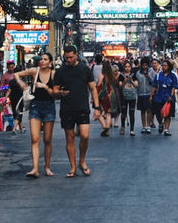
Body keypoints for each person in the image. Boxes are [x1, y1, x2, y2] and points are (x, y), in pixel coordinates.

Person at [52, 45, 101, 178]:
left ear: (76, 55)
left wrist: (97, 108)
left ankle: (82, 161)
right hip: (66, 109)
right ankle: (73, 167)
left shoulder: (85, 69)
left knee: (84, 136)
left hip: (82, 107)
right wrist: (60, 93)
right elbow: (55, 91)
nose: (68, 60)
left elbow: (93, 89)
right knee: (70, 138)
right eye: (66, 57)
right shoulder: (60, 71)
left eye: (71, 57)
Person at [13, 53, 56, 178]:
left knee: (47, 140)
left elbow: (55, 93)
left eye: (45, 59)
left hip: (49, 107)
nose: (42, 61)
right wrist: (20, 83)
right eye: (41, 59)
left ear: (51, 62)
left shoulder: (54, 74)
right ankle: (35, 169)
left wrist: (45, 86)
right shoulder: (34, 71)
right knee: (35, 139)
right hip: (35, 106)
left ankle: (47, 167)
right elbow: (17, 74)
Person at [149, 59, 178, 136]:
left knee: (168, 114)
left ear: (169, 67)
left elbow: (174, 86)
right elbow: (154, 86)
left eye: (165, 66)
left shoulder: (173, 76)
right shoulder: (158, 75)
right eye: (163, 65)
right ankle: (160, 124)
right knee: (158, 114)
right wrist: (151, 96)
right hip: (159, 97)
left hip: (168, 97)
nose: (164, 67)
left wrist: (171, 95)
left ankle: (166, 129)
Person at [96, 61, 120, 137]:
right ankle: (106, 130)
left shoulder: (101, 75)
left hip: (103, 96)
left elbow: (99, 86)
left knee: (98, 112)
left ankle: (105, 126)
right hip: (112, 96)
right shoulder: (112, 75)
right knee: (108, 113)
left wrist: (95, 97)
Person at [118, 60, 138, 136]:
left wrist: (131, 81)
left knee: (132, 113)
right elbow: (120, 86)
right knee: (123, 113)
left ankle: (132, 129)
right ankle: (122, 127)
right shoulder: (121, 75)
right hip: (124, 96)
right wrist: (124, 81)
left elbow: (136, 85)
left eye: (129, 66)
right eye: (126, 66)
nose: (127, 68)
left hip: (132, 96)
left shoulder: (134, 75)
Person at [135, 57, 154, 134]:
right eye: (143, 65)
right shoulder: (138, 73)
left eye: (146, 65)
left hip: (148, 93)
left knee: (149, 110)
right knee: (142, 111)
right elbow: (137, 83)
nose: (145, 66)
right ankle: (144, 126)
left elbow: (154, 82)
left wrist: (148, 77)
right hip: (140, 94)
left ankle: (148, 126)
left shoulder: (151, 71)